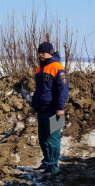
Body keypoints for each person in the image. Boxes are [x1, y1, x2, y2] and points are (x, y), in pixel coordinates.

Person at [31, 42, 69, 174]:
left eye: (43, 52)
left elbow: (63, 90)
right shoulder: (39, 68)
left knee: (53, 139)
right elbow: (39, 90)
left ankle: (53, 166)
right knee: (43, 139)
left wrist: (60, 108)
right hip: (41, 110)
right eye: (39, 52)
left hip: (54, 110)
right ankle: (47, 162)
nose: (40, 54)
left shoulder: (57, 67)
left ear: (50, 52)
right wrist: (34, 105)